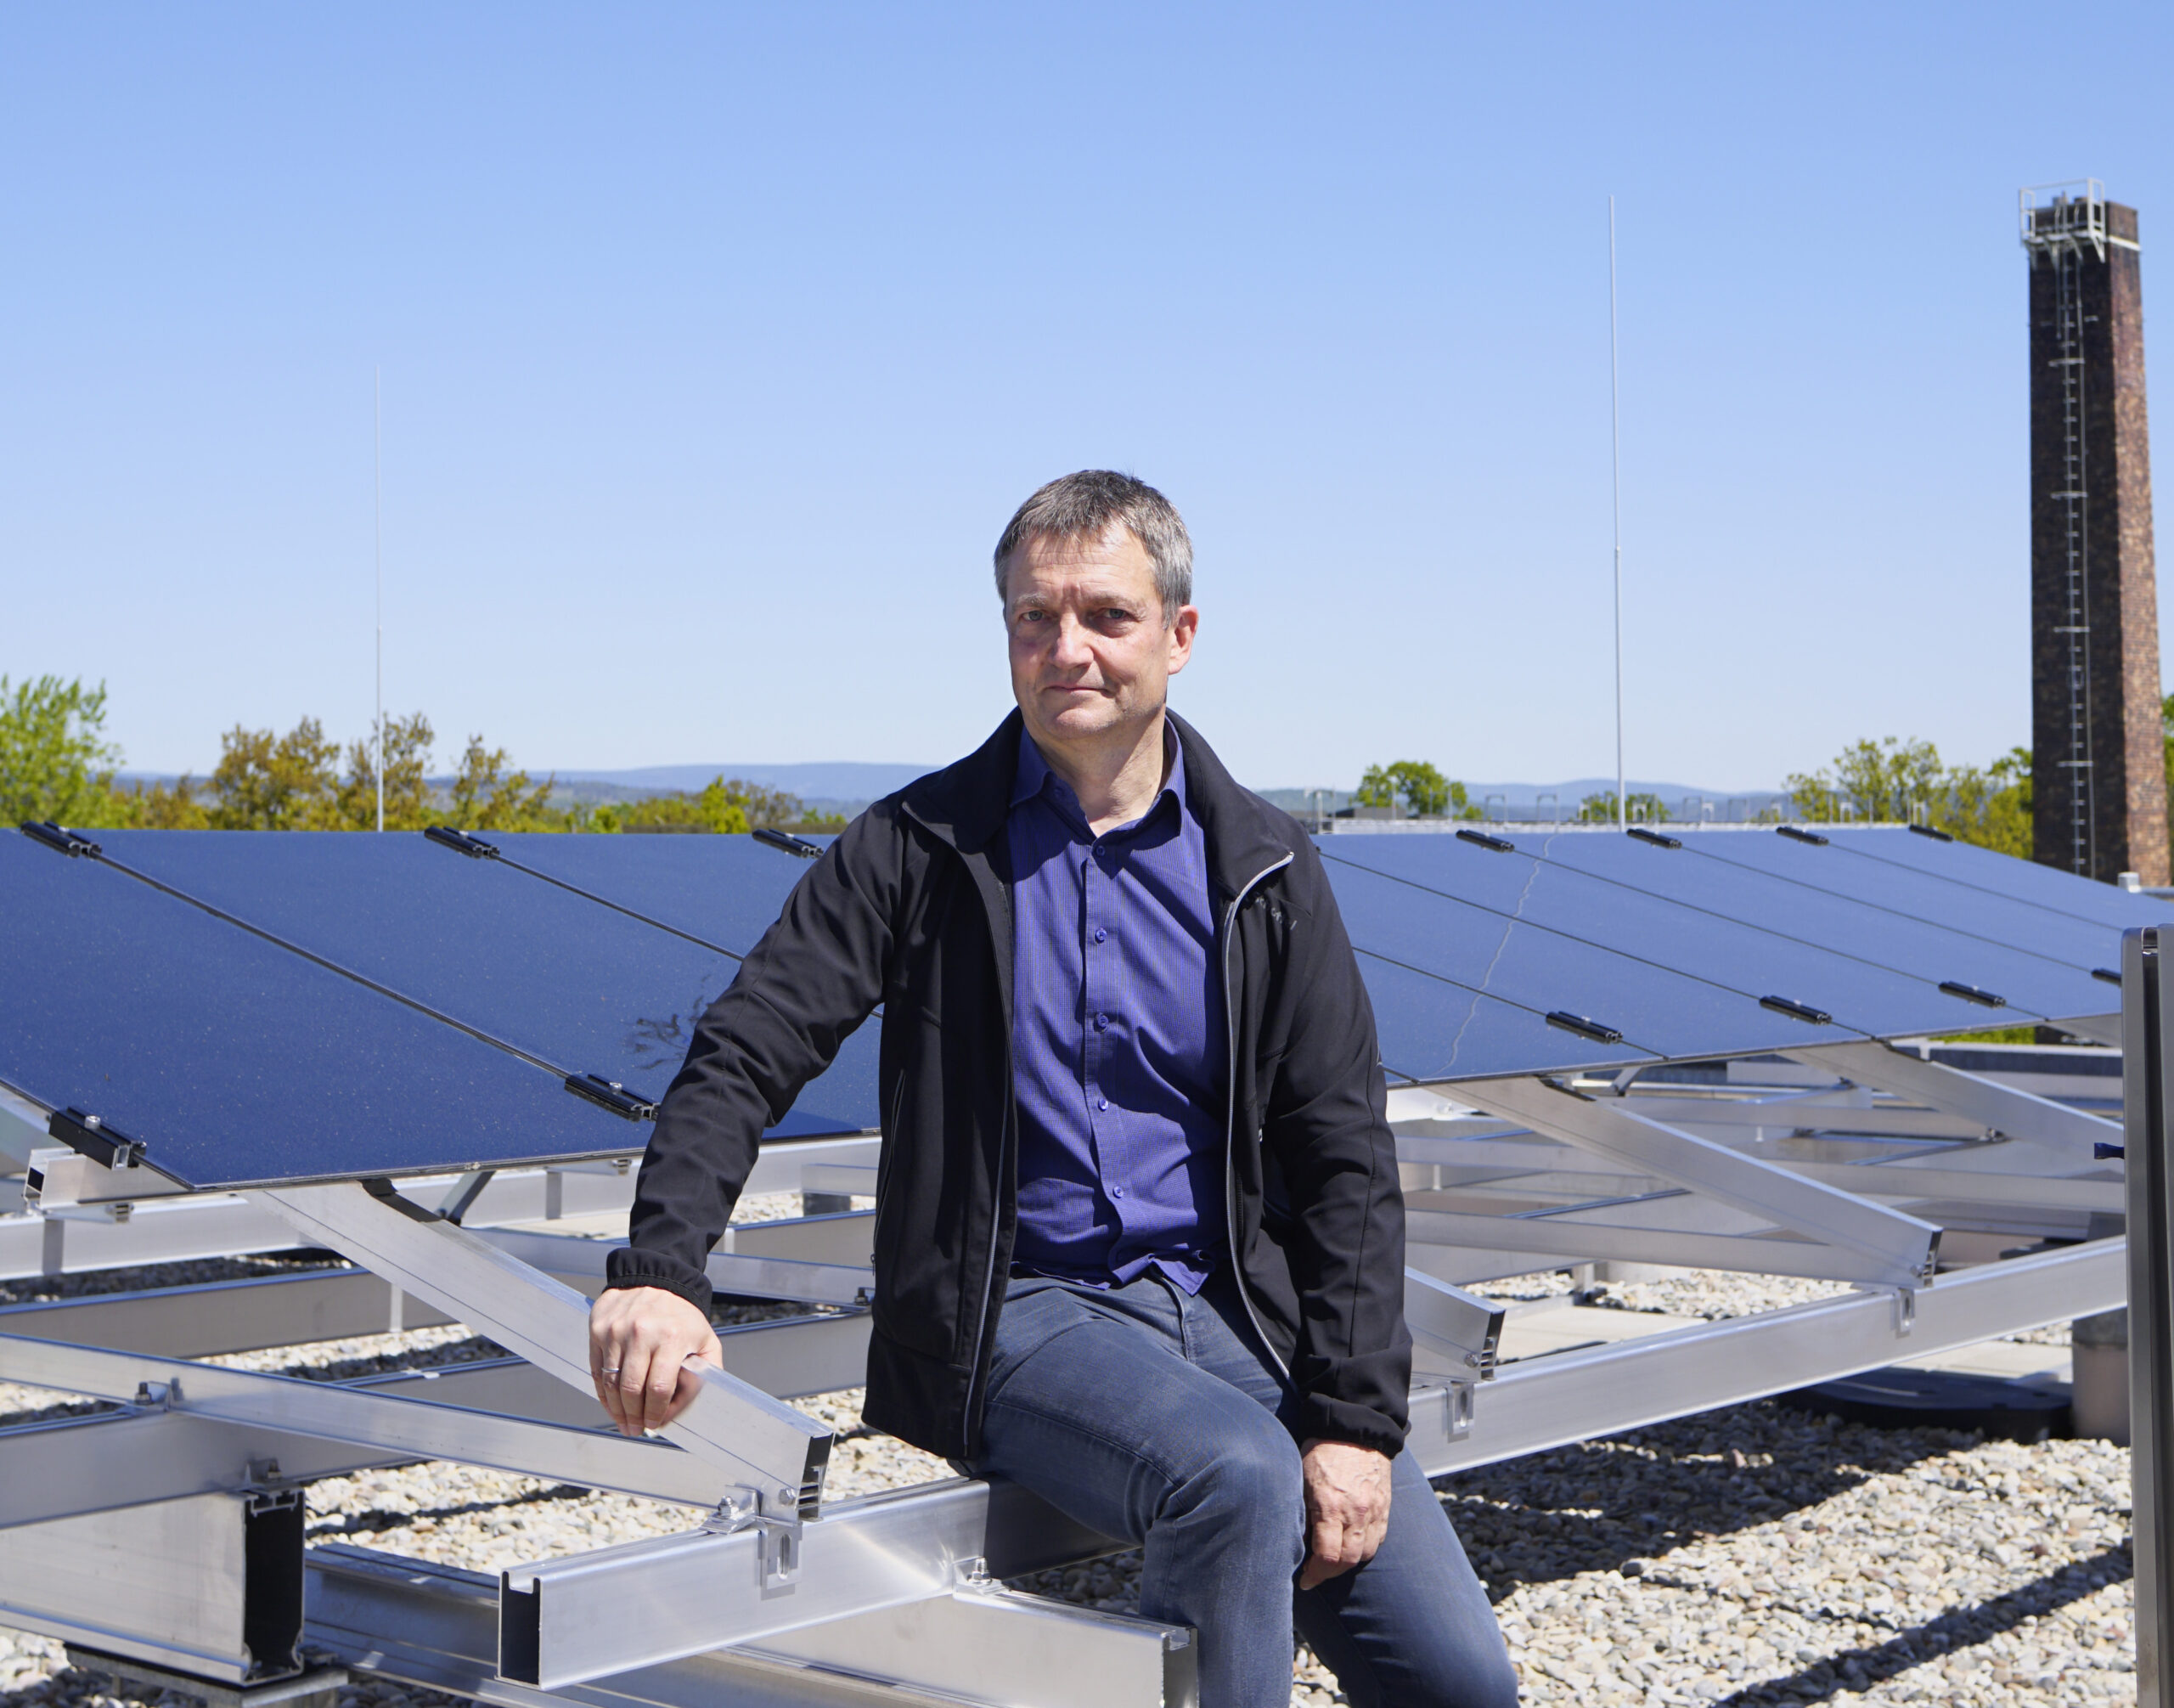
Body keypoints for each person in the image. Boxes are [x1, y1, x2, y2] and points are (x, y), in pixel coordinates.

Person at [589, 471, 1518, 1708]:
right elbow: (749, 1043)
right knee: (1235, 1477)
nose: (1065, 648)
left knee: (1461, 1686)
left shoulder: (1265, 870)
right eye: (1035, 617)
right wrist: (661, 1270)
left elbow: (1343, 1154)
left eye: (1104, 616)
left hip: (1232, 1307)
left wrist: (1352, 1421)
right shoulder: (920, 848)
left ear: (1180, 637)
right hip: (1016, 1311)